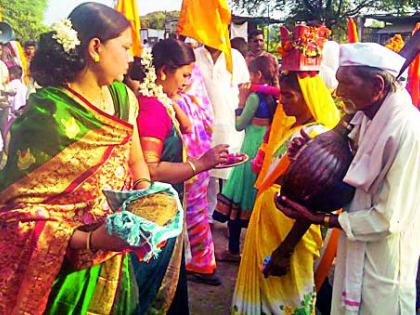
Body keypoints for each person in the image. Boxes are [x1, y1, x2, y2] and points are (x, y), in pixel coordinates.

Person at [0, 3, 153, 313]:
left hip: (113, 259)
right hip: (63, 268)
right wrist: (92, 239)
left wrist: (144, 199)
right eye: (124, 47)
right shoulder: (47, 115)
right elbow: (19, 211)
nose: (131, 57)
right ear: (95, 48)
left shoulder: (123, 98)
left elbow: (136, 162)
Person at [276, 43, 420, 314]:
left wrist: (323, 220)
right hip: (354, 240)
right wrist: (308, 155)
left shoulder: (408, 130)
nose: (337, 92)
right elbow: (344, 167)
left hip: (384, 256)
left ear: (377, 86)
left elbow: (390, 218)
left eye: (346, 83)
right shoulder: (365, 117)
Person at [232, 68, 340, 313]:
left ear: (308, 96)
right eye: (281, 95)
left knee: (287, 293)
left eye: (289, 96)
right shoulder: (295, 128)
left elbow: (312, 200)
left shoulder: (316, 135)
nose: (281, 101)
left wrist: (286, 248)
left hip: (288, 226)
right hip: (270, 221)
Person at [134, 39, 229, 310]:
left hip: (166, 208)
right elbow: (150, 170)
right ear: (163, 71)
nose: (187, 83)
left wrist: (171, 99)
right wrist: (201, 164)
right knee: (158, 288)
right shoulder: (152, 108)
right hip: (156, 213)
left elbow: (186, 127)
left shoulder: (160, 101)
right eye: (185, 75)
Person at [214, 54, 278, 262]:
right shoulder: (276, 96)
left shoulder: (254, 97)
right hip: (268, 149)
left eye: (251, 73)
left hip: (251, 150)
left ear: (258, 75)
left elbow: (240, 125)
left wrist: (240, 102)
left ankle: (234, 250)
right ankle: (257, 251)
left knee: (238, 198)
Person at [173, 64, 220, 285]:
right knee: (196, 212)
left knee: (189, 213)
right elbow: (208, 125)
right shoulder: (197, 98)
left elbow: (188, 126)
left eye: (187, 76)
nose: (185, 81)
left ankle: (198, 262)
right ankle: (203, 261)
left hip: (191, 163)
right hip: (200, 160)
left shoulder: (179, 100)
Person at [194, 44, 250, 225]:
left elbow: (244, 88)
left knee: (230, 169)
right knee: (206, 171)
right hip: (203, 124)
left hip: (230, 123)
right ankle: (207, 216)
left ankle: (228, 216)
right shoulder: (195, 55)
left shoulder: (235, 57)